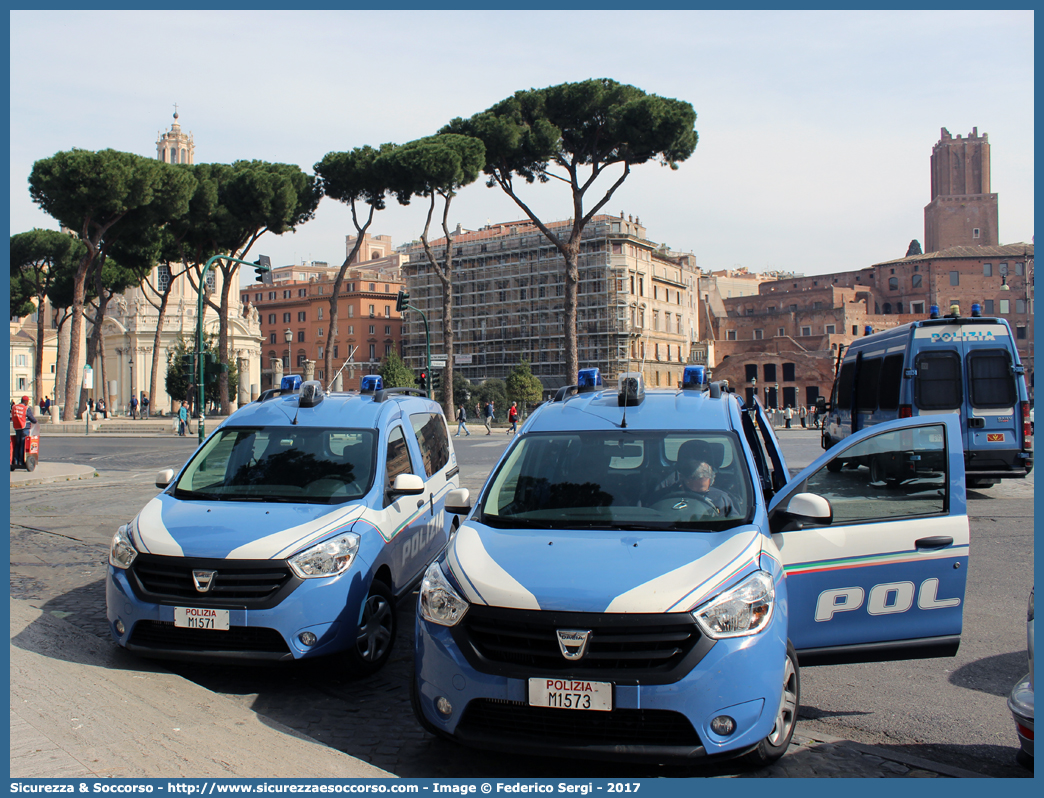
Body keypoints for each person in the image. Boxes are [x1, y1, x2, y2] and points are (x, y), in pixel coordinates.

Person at [668, 459, 736, 517]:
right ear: (681, 479)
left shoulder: (721, 499)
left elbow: (735, 523)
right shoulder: (666, 496)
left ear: (710, 482)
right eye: (691, 492)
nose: (697, 496)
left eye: (703, 493)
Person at [11, 395, 37, 468]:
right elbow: (31, 417)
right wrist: (35, 421)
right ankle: (21, 461)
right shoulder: (26, 408)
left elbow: (12, 416)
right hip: (25, 428)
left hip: (17, 428)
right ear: (26, 401)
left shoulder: (14, 407)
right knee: (23, 445)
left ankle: (15, 460)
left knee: (17, 444)